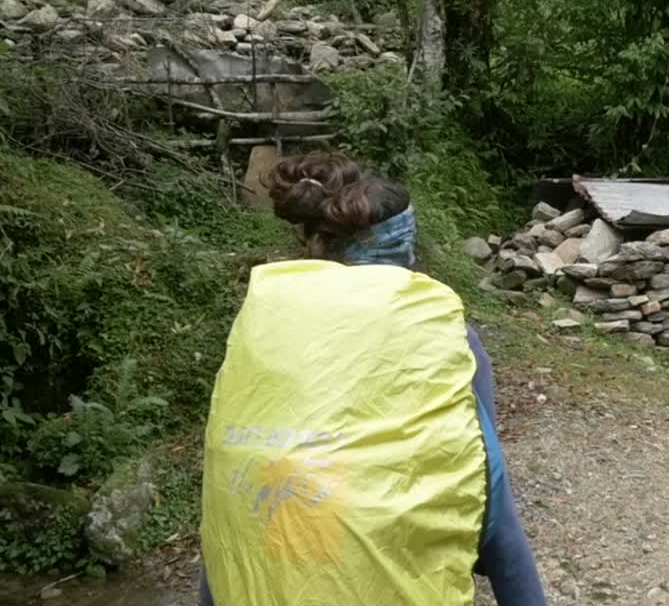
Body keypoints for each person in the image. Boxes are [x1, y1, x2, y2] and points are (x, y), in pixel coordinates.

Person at [197, 153, 546, 606]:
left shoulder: (265, 325)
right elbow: (484, 482)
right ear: (408, 251)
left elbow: (232, 486)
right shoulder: (444, 334)